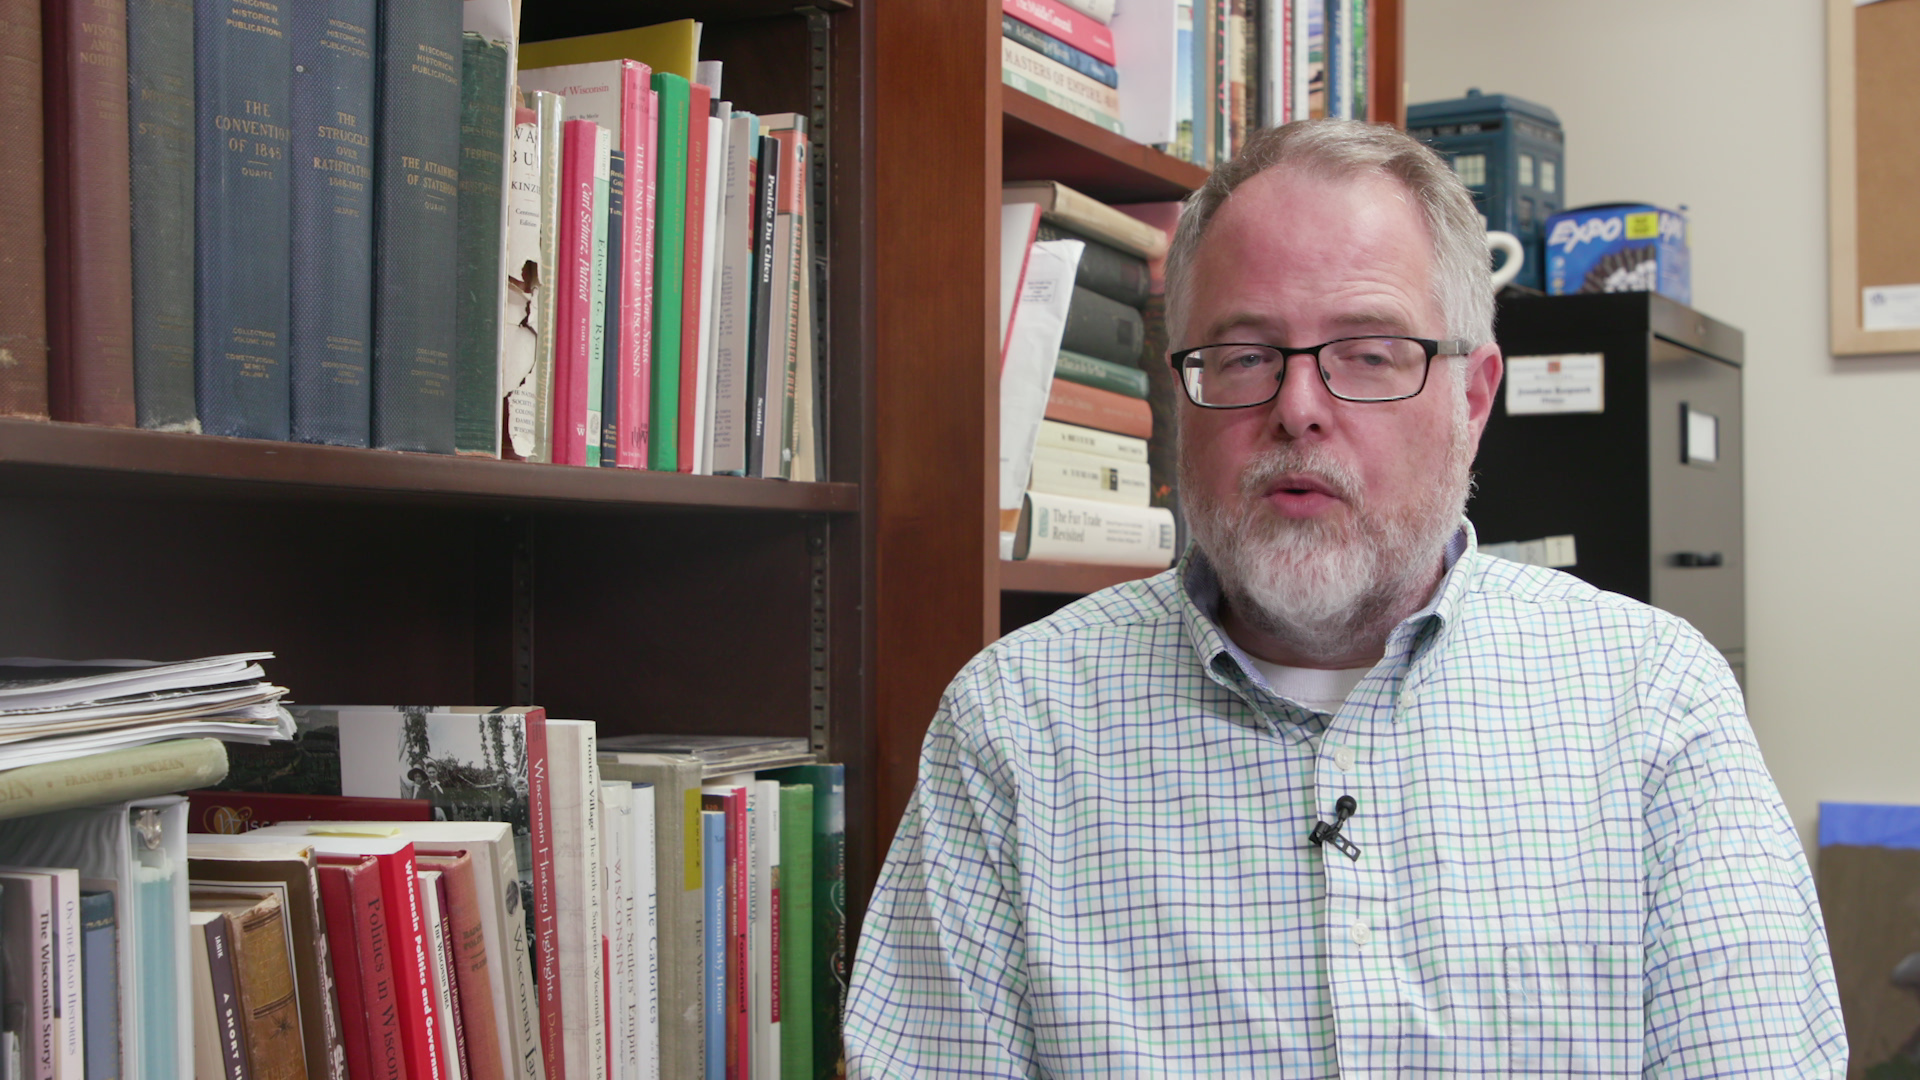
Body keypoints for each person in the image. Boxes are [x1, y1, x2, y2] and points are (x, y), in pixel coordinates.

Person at [843, 119, 1845, 1078]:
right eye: (1242, 356)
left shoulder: (1657, 704)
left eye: (1369, 352)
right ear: (1177, 398)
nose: (1300, 409)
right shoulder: (1015, 727)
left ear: (1473, 396)